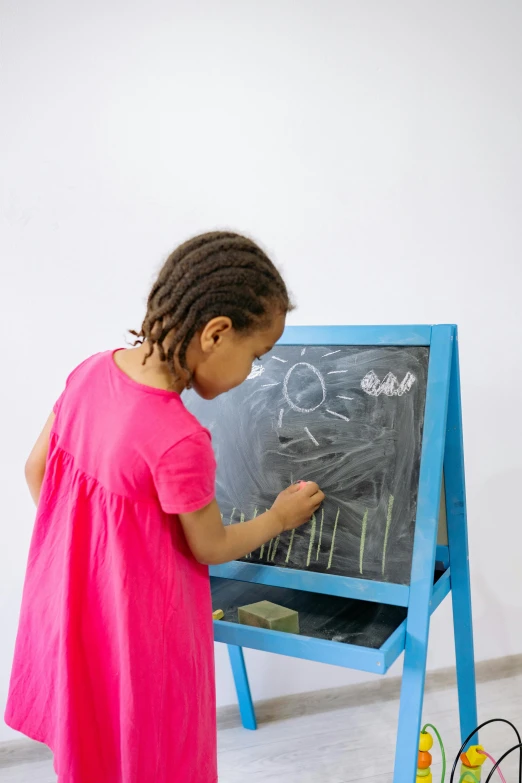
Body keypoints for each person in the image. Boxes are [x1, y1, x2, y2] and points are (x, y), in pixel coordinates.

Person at [5, 231, 325, 783]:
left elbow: (37, 471)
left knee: (95, 746)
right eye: (255, 356)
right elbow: (210, 546)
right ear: (216, 334)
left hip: (79, 615)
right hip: (143, 636)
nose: (251, 373)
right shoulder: (180, 439)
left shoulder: (89, 373)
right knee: (153, 753)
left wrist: (87, 553)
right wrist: (278, 518)